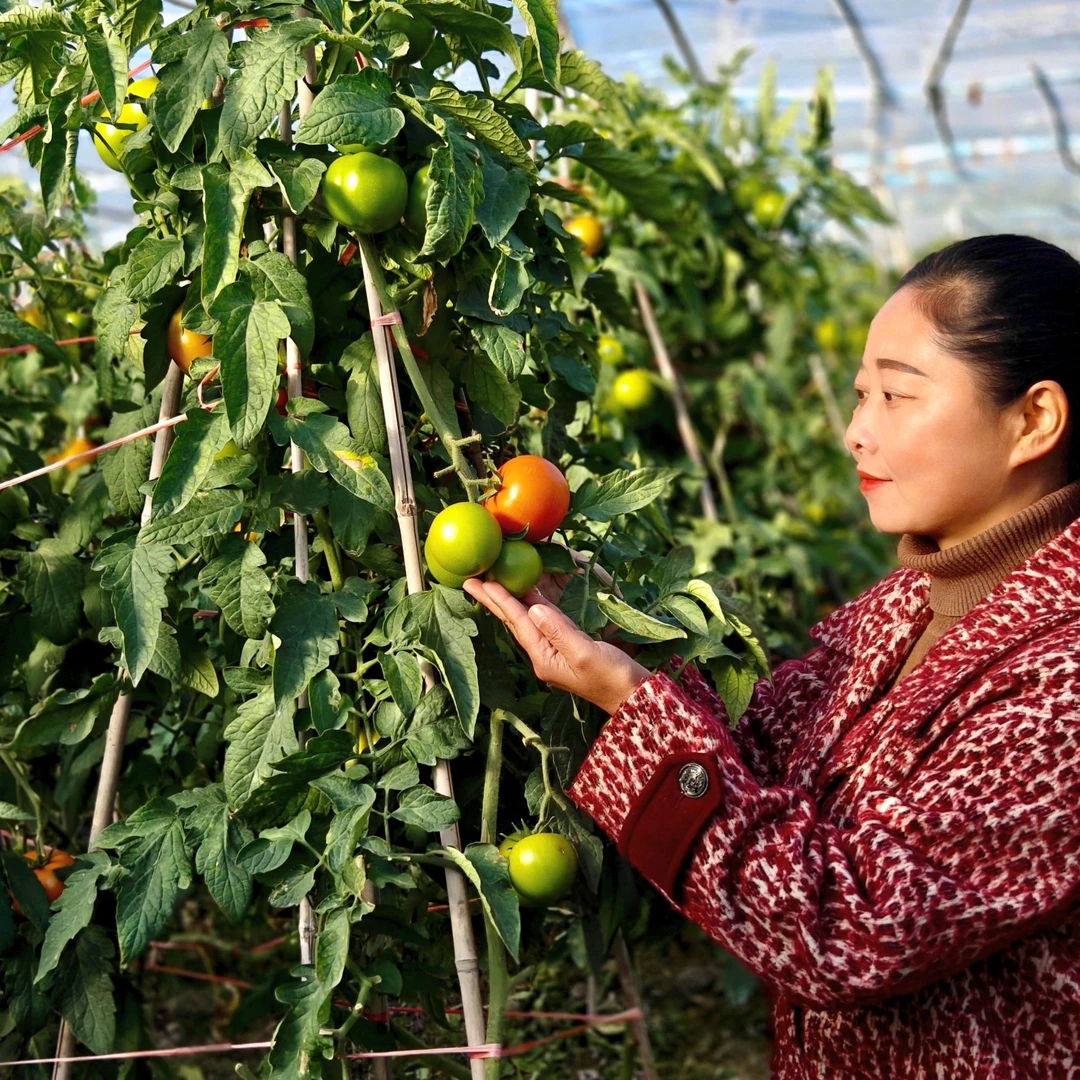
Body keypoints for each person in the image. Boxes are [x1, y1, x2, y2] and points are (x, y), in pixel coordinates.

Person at [464, 234, 1080, 1079]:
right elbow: (755, 754)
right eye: (862, 394)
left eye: (897, 397)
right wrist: (608, 634)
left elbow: (853, 930)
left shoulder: (1062, 681)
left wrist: (635, 708)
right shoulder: (899, 606)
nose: (856, 431)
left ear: (1034, 420)